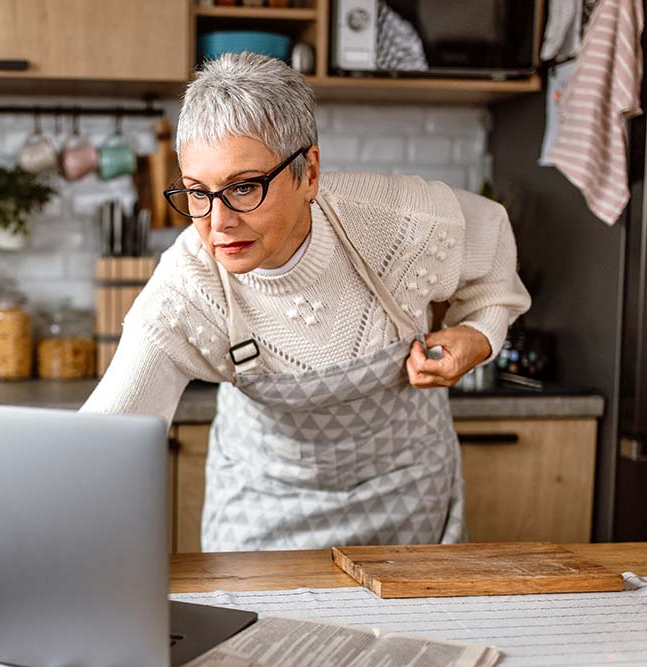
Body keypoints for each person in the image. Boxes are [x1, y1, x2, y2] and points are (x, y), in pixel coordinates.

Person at [81, 52, 531, 551]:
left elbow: (492, 255)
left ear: (309, 172)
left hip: (407, 496)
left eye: (244, 187)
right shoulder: (186, 287)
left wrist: (479, 334)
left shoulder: (398, 222)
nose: (218, 223)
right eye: (197, 193)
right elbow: (105, 443)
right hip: (262, 506)